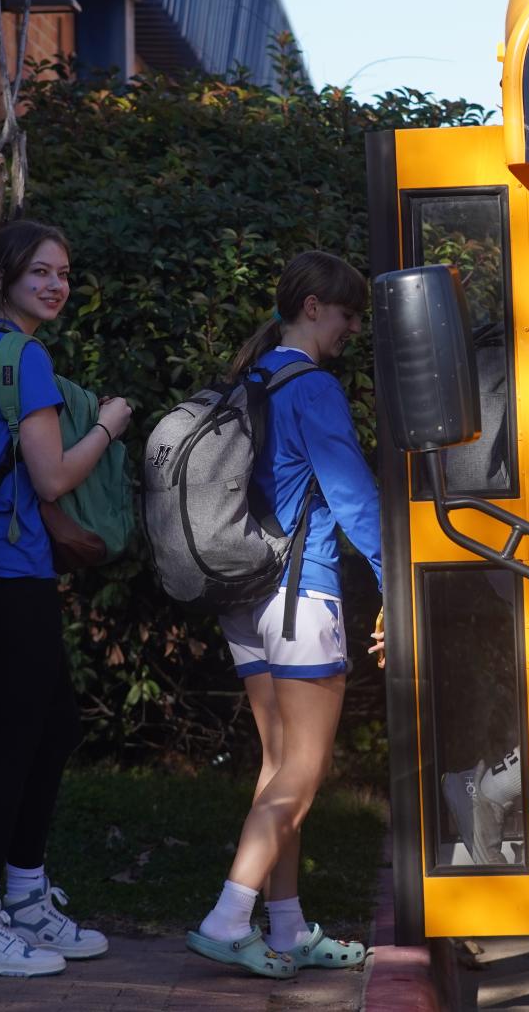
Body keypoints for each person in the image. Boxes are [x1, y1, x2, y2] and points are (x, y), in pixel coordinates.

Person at [0, 221, 131, 979]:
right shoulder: (21, 356)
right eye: (40, 272)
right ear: (6, 279)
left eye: (64, 273)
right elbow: (52, 478)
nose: (56, 285)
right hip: (3, 568)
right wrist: (110, 426)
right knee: (16, 743)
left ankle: (20, 897)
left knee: (52, 726)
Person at [188, 250, 381, 979]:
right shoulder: (313, 389)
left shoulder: (250, 380)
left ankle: (288, 925)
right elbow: (354, 500)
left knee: (277, 767)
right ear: (309, 307)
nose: (352, 328)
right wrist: (398, 585)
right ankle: (228, 916)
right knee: (300, 771)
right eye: (345, 314)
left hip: (245, 601)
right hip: (303, 594)